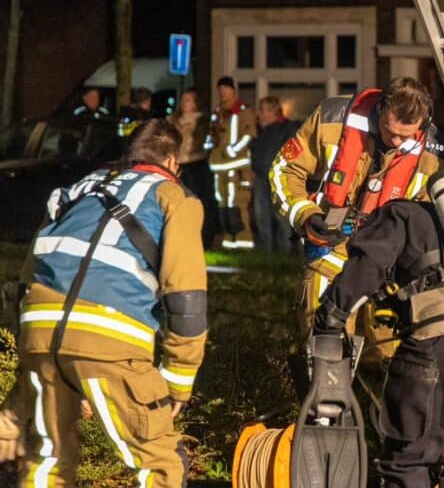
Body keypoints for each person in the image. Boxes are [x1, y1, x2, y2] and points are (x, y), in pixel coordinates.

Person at [0, 119, 208, 486]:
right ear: (173, 162)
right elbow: (186, 294)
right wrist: (179, 380)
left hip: (41, 330)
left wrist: (30, 349)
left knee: (49, 461)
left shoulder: (77, 189)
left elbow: (27, 273)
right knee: (160, 465)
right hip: (112, 337)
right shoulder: (175, 197)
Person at [313, 197, 444, 488]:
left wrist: (332, 313)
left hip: (439, 342)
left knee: (407, 462)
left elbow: (368, 265)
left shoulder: (401, 213)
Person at [269, 77, 444, 350]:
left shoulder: (435, 153)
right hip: (331, 248)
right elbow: (284, 171)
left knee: (400, 347)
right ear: (378, 111)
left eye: (406, 136)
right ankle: (325, 387)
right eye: (390, 131)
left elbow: (435, 213)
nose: (396, 141)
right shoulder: (331, 119)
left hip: (391, 262)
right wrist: (306, 215)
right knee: (323, 336)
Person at [208, 76, 257, 250]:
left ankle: (243, 242)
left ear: (233, 91)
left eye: (225, 88)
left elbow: (249, 134)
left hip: (236, 165)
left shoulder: (242, 111)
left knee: (237, 203)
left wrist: (233, 149)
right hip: (219, 165)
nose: (222, 92)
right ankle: (229, 242)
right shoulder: (217, 112)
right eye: (220, 89)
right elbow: (212, 132)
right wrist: (209, 143)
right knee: (222, 203)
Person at [169, 89, 217, 247]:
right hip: (178, 164)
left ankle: (203, 237)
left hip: (196, 163)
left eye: (189, 100)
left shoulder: (201, 120)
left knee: (198, 199)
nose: (185, 103)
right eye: (183, 99)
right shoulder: (173, 121)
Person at [250, 96, 298, 253]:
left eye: (264, 110)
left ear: (274, 112)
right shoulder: (259, 129)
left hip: (279, 178)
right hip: (261, 177)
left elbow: (291, 153)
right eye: (261, 110)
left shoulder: (286, 128)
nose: (261, 114)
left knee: (280, 216)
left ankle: (284, 251)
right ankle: (266, 250)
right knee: (261, 215)